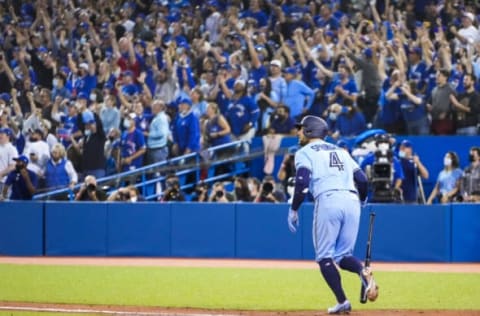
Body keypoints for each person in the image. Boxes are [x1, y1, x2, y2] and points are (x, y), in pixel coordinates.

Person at [287, 115, 377, 314]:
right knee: (343, 256)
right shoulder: (340, 150)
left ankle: (343, 301)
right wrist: (362, 200)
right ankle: (363, 272)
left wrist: (294, 209)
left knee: (324, 257)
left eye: (301, 128)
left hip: (328, 199)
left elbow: (302, 183)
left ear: (310, 130)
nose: (298, 132)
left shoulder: (304, 152)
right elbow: (362, 179)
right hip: (352, 200)